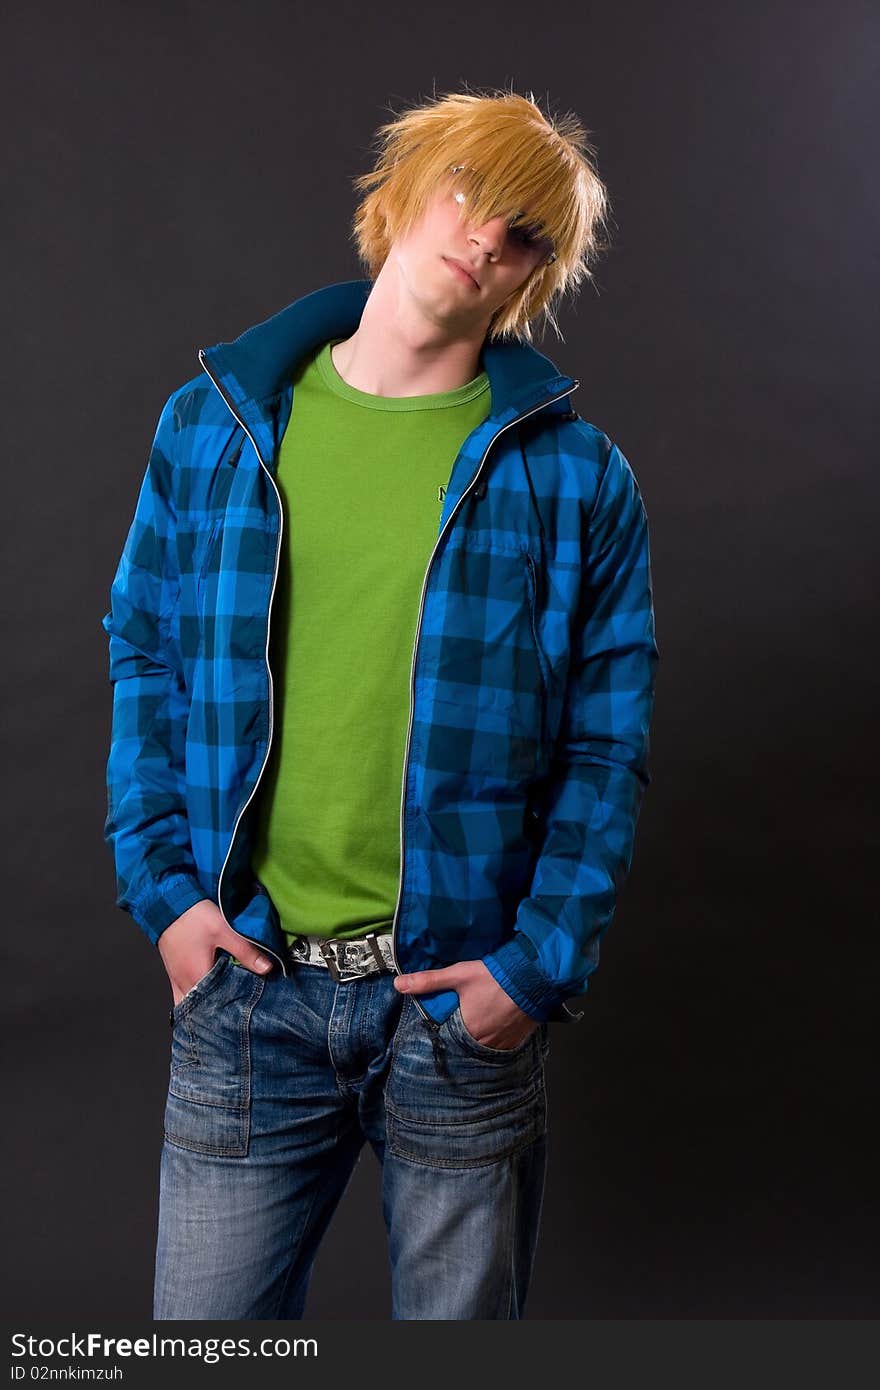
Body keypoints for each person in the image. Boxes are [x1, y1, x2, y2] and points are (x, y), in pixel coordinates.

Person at [101, 84, 659, 1320]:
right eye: (468, 192)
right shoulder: (214, 426)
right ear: (404, 187)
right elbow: (143, 651)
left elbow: (604, 746)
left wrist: (535, 966)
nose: (484, 239)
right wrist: (168, 899)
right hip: (246, 984)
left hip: (456, 1010)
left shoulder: (573, 477)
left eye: (523, 235)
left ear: (531, 278)